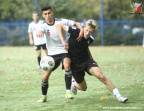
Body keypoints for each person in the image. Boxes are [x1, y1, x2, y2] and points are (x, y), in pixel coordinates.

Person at [56, 19, 128, 103]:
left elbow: (86, 47)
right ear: (84, 27)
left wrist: (92, 59)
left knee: (101, 76)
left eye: (90, 32)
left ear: (93, 32)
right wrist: (63, 41)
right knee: (83, 88)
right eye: (86, 30)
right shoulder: (75, 31)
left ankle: (119, 96)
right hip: (75, 65)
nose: (87, 33)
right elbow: (59, 26)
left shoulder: (90, 39)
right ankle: (74, 84)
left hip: (86, 61)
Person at [36, 5, 84, 103]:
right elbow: (39, 30)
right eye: (45, 14)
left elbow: (77, 23)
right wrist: (39, 33)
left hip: (64, 50)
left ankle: (67, 92)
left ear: (52, 13)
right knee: (45, 77)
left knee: (67, 64)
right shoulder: (42, 24)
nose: (48, 15)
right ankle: (43, 96)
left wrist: (82, 30)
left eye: (49, 13)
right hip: (52, 54)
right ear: (43, 15)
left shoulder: (61, 21)